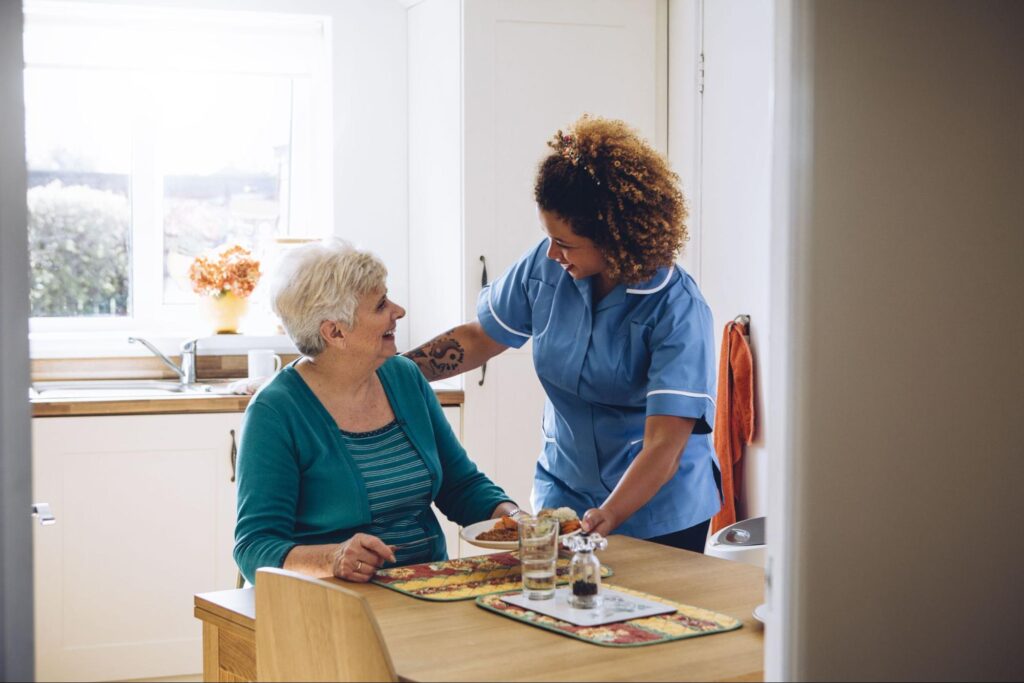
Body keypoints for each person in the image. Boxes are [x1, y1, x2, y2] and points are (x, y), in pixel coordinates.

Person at [405, 115, 721, 552]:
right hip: (565, 494)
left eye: (567, 243)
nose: (553, 252)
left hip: (658, 512)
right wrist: (392, 373)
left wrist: (609, 515)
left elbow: (665, 445)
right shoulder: (547, 264)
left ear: (615, 237)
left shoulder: (677, 309)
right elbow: (479, 338)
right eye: (548, 237)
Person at [234, 239, 518, 584]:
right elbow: (254, 547)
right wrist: (334, 557)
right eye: (381, 304)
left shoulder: (404, 377)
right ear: (335, 332)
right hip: (330, 603)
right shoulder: (275, 411)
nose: (398, 311)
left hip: (425, 588)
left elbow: (460, 486)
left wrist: (515, 519)